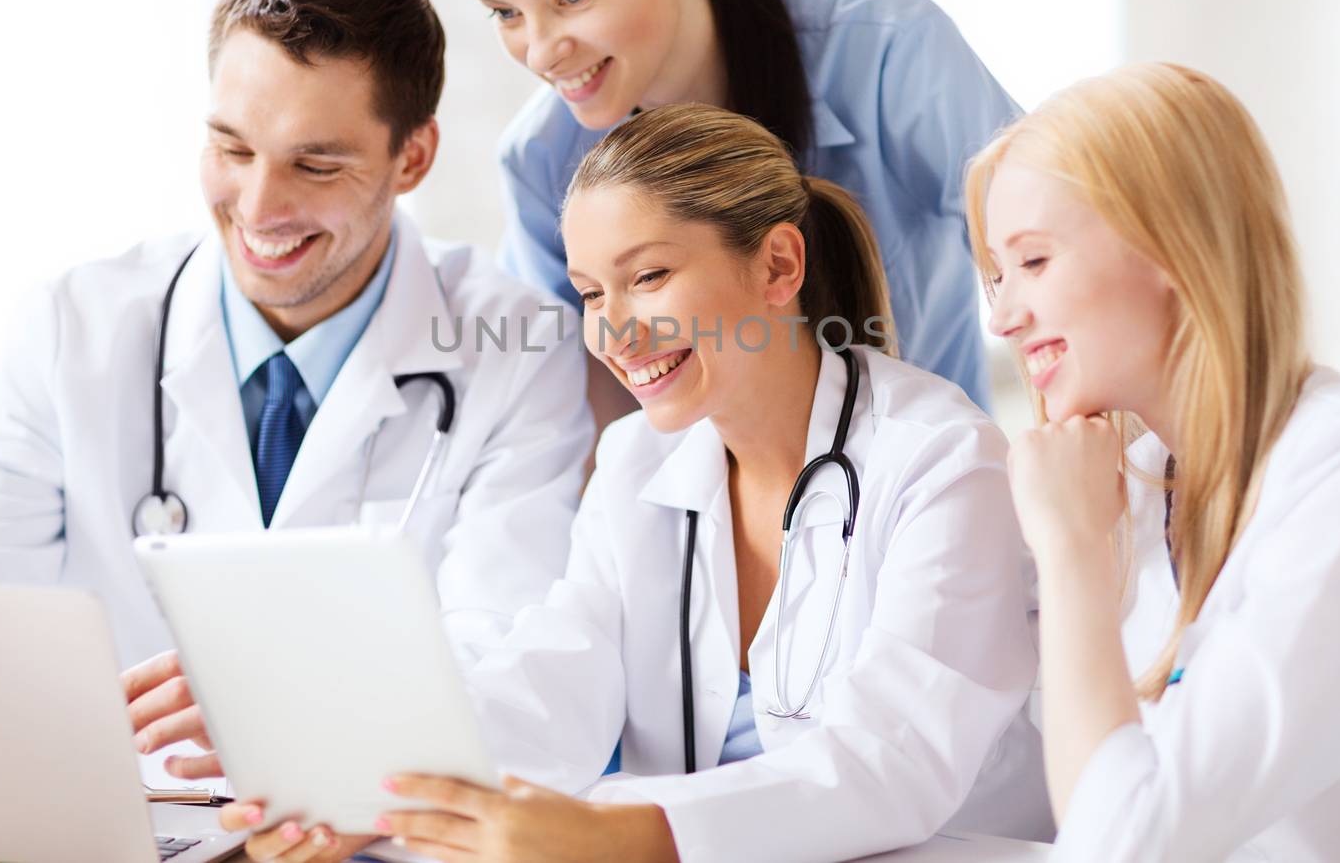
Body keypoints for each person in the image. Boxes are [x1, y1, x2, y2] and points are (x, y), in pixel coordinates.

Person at [218, 105, 1051, 863]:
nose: (612, 331)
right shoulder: (636, 462)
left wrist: (621, 830)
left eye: (648, 277)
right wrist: (380, 787)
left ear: (778, 265)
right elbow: (555, 676)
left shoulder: (940, 460)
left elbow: (891, 764)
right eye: (589, 292)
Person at [0, 0, 593, 778]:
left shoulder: (515, 345)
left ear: (411, 157)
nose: (261, 206)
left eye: (315, 162)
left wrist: (281, 704)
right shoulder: (73, 328)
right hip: (131, 816)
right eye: (233, 150)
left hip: (372, 825)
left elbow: (503, 663)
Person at [967, 62, 1340, 861]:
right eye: (995, 275)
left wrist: (1068, 553)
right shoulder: (1134, 481)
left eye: (1034, 262)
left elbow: (1120, 842)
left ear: (1169, 240)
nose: (1003, 318)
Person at [453, 0, 1019, 416]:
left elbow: (1051, 248)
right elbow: (574, 405)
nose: (539, 53)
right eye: (506, 13)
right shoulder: (542, 160)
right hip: (705, 501)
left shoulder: (885, 48)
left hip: (930, 473)